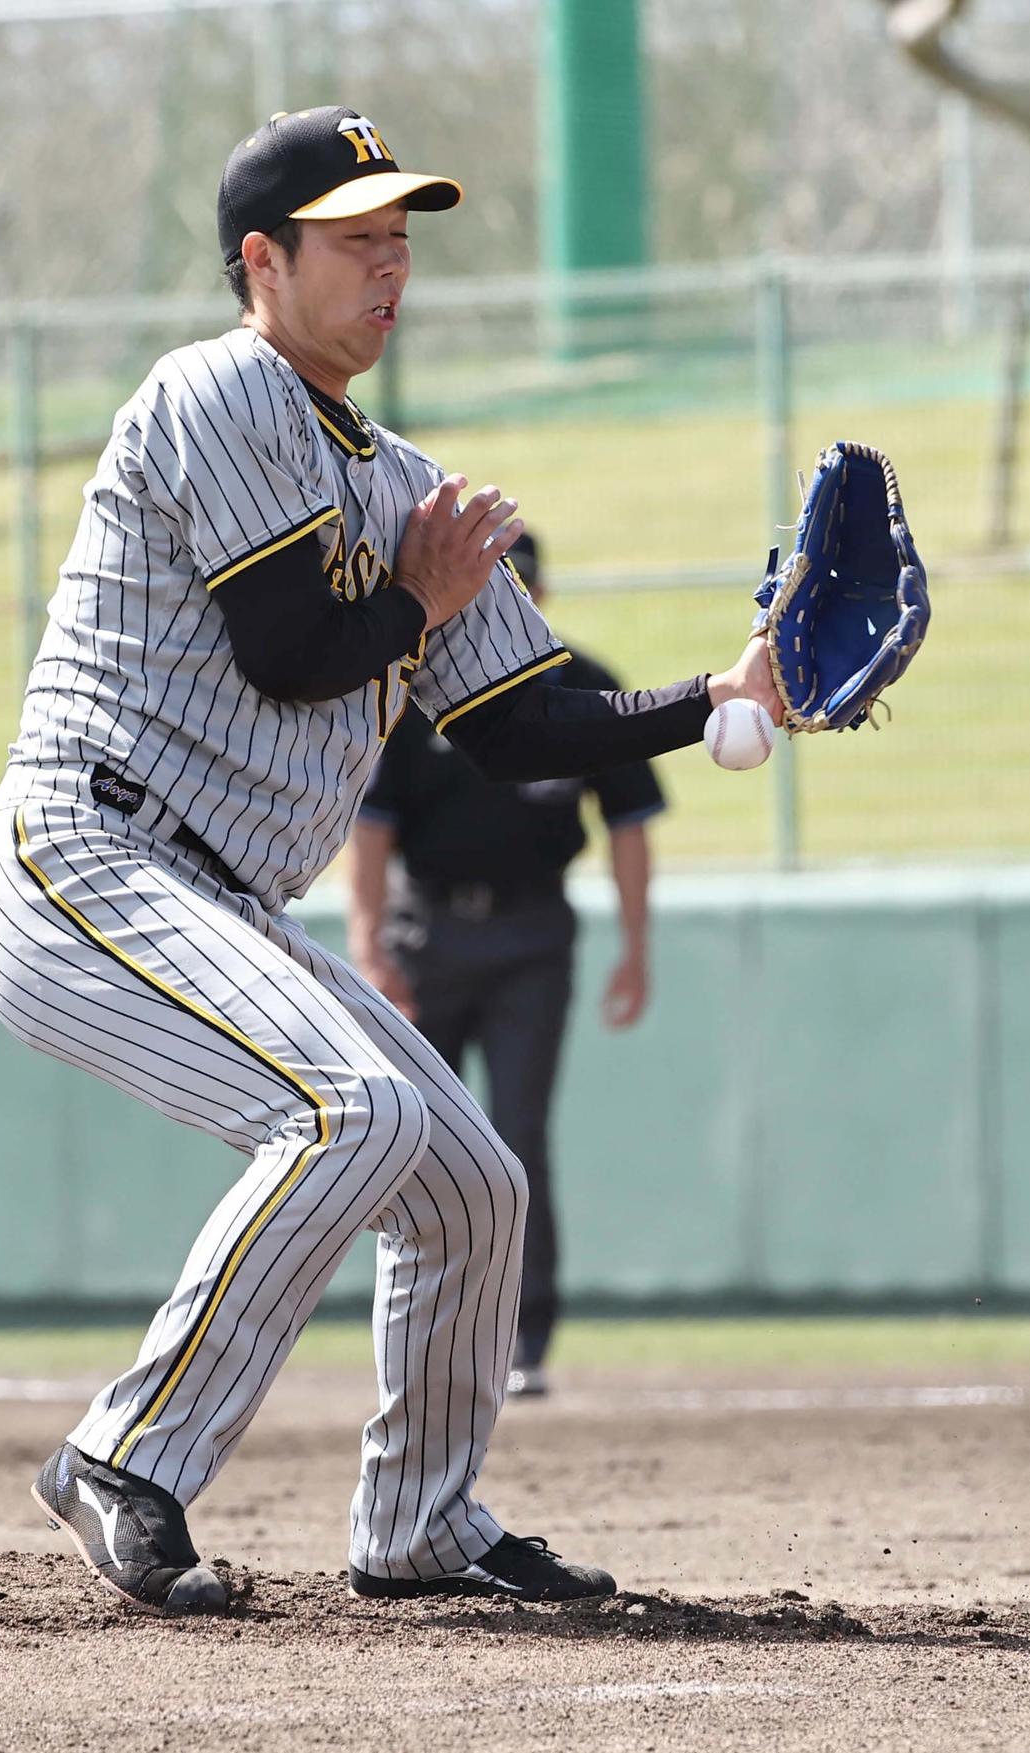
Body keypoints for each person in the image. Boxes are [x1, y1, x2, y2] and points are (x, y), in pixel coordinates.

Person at [0, 105, 782, 1616]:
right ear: (262, 264)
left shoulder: (406, 482)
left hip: (207, 894)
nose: (392, 266)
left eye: (402, 238)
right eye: (358, 241)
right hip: (81, 854)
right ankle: (124, 1456)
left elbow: (532, 727)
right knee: (353, 1107)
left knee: (471, 1175)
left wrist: (721, 699)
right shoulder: (211, 389)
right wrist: (419, 599)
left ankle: (418, 1523)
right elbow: (290, 652)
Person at [347, 530, 664, 1399]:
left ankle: (523, 1340)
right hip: (427, 938)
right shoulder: (415, 693)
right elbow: (370, 826)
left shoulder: (584, 686)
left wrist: (636, 947)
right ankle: (415, 1348)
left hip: (533, 937)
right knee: (408, 1146)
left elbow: (629, 820)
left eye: (519, 586)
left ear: (539, 595)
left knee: (516, 1142)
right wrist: (369, 942)